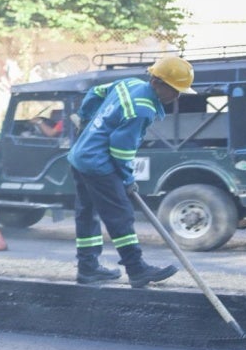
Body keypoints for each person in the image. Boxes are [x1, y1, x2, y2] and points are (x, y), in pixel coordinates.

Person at [67, 56, 192, 287]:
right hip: (98, 163)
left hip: (80, 155)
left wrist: (85, 121)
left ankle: (87, 268)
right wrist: (127, 179)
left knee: (87, 213)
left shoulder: (130, 84)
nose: (177, 96)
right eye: (175, 90)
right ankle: (136, 269)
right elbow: (121, 149)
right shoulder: (141, 109)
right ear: (157, 82)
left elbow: (94, 92)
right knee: (120, 214)